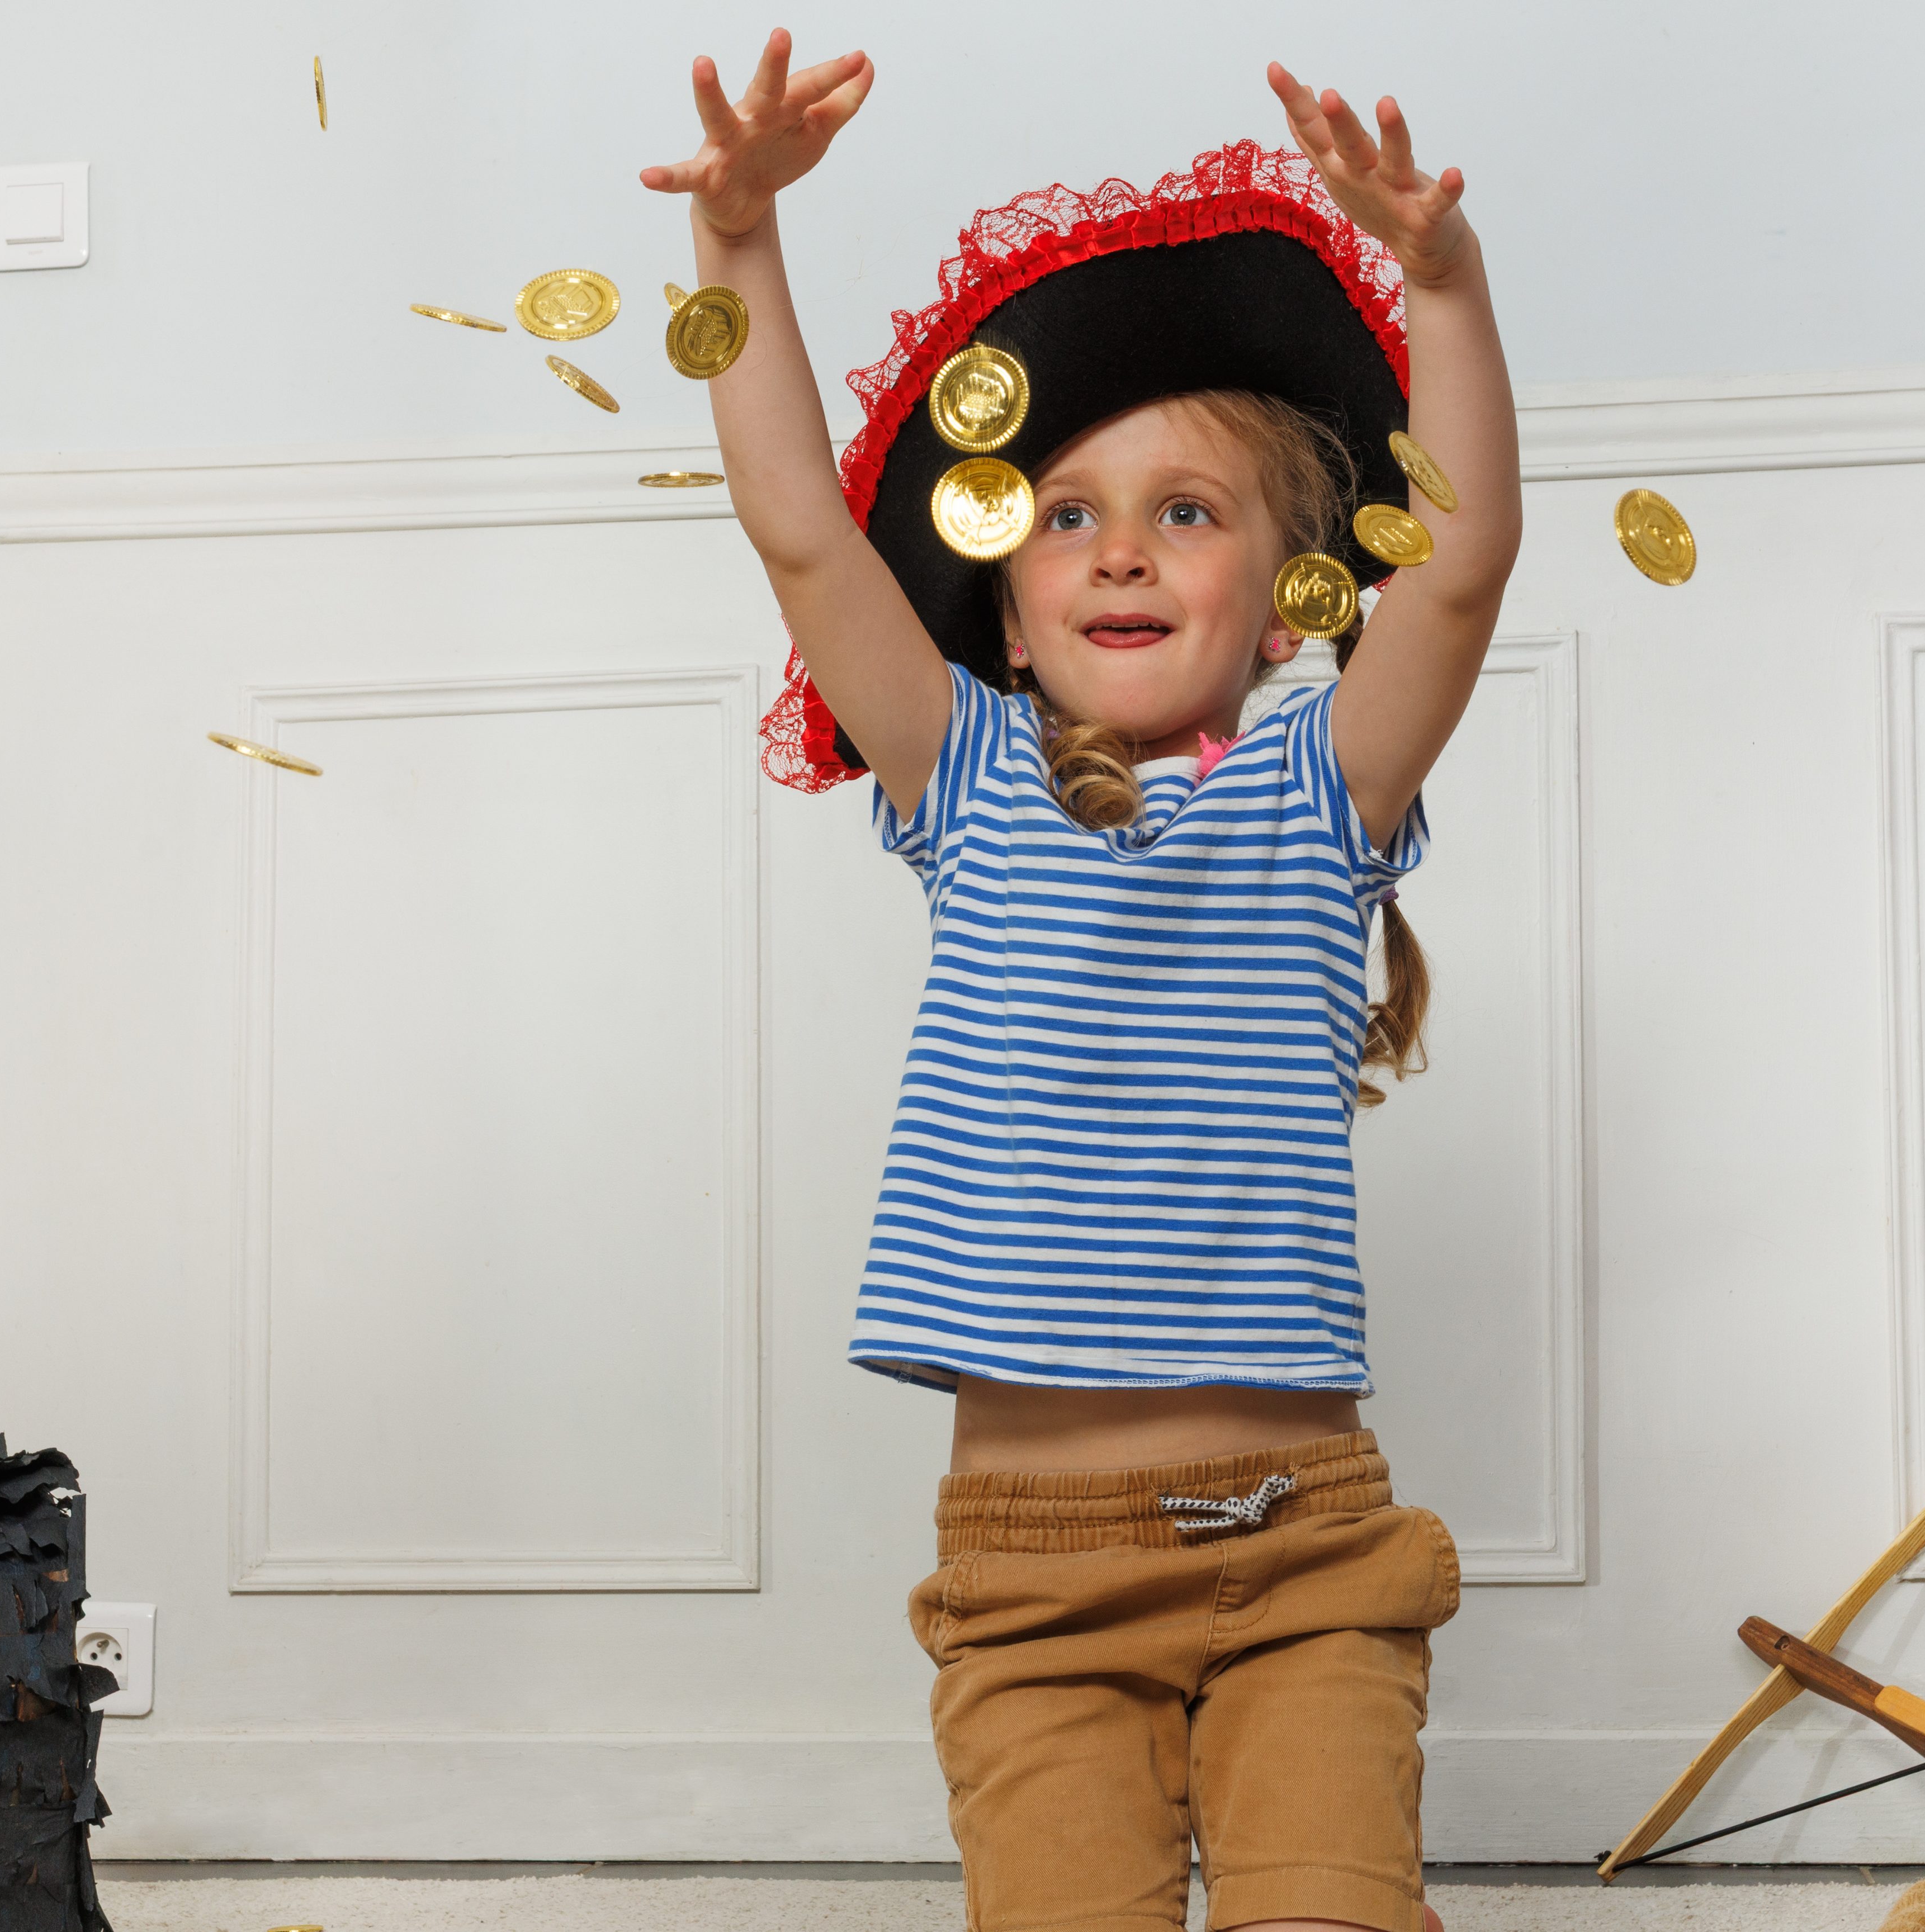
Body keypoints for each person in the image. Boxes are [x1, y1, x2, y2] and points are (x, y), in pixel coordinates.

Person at [645, 33, 1523, 1932]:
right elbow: (800, 523)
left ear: (1292, 576)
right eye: (1064, 515)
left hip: (1310, 1547)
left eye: (1187, 512)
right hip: (1032, 1574)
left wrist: (1439, 287)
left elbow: (1457, 577)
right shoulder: (964, 775)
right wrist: (742, 242)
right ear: (1006, 590)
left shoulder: (1320, 783)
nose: (1120, 549)